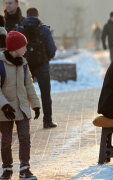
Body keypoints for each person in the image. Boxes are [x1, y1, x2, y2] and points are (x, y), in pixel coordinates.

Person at [0, 31, 40, 180]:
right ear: (15, 48)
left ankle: (25, 168)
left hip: (22, 107)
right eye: (24, 46)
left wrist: (35, 104)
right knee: (6, 140)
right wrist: (4, 106)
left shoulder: (23, 63)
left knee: (25, 138)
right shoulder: (1, 64)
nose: (26, 49)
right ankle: (7, 168)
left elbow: (29, 85)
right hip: (5, 110)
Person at [19, 7, 57, 129]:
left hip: (26, 65)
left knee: (24, 93)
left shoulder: (21, 28)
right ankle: (47, 121)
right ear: (37, 16)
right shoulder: (44, 29)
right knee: (45, 94)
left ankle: (23, 122)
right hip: (42, 65)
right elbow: (52, 49)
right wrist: (47, 58)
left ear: (27, 15)